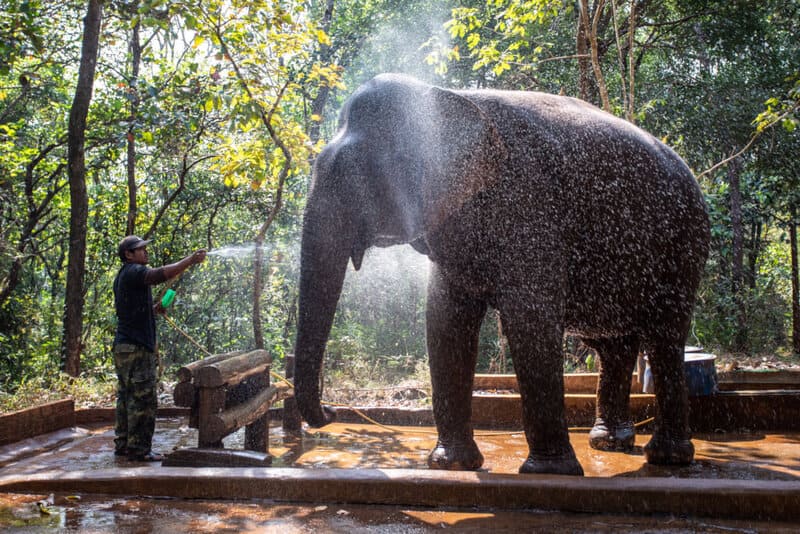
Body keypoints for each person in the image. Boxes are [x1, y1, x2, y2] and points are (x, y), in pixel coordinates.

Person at [113, 235, 206, 461]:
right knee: (143, 399)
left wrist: (155, 309)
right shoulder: (134, 271)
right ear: (129, 255)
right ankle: (139, 450)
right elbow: (158, 274)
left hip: (124, 347)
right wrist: (189, 260)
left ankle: (124, 445)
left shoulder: (125, 276)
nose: (145, 252)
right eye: (140, 249)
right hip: (136, 348)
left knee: (126, 397)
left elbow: (132, 310)